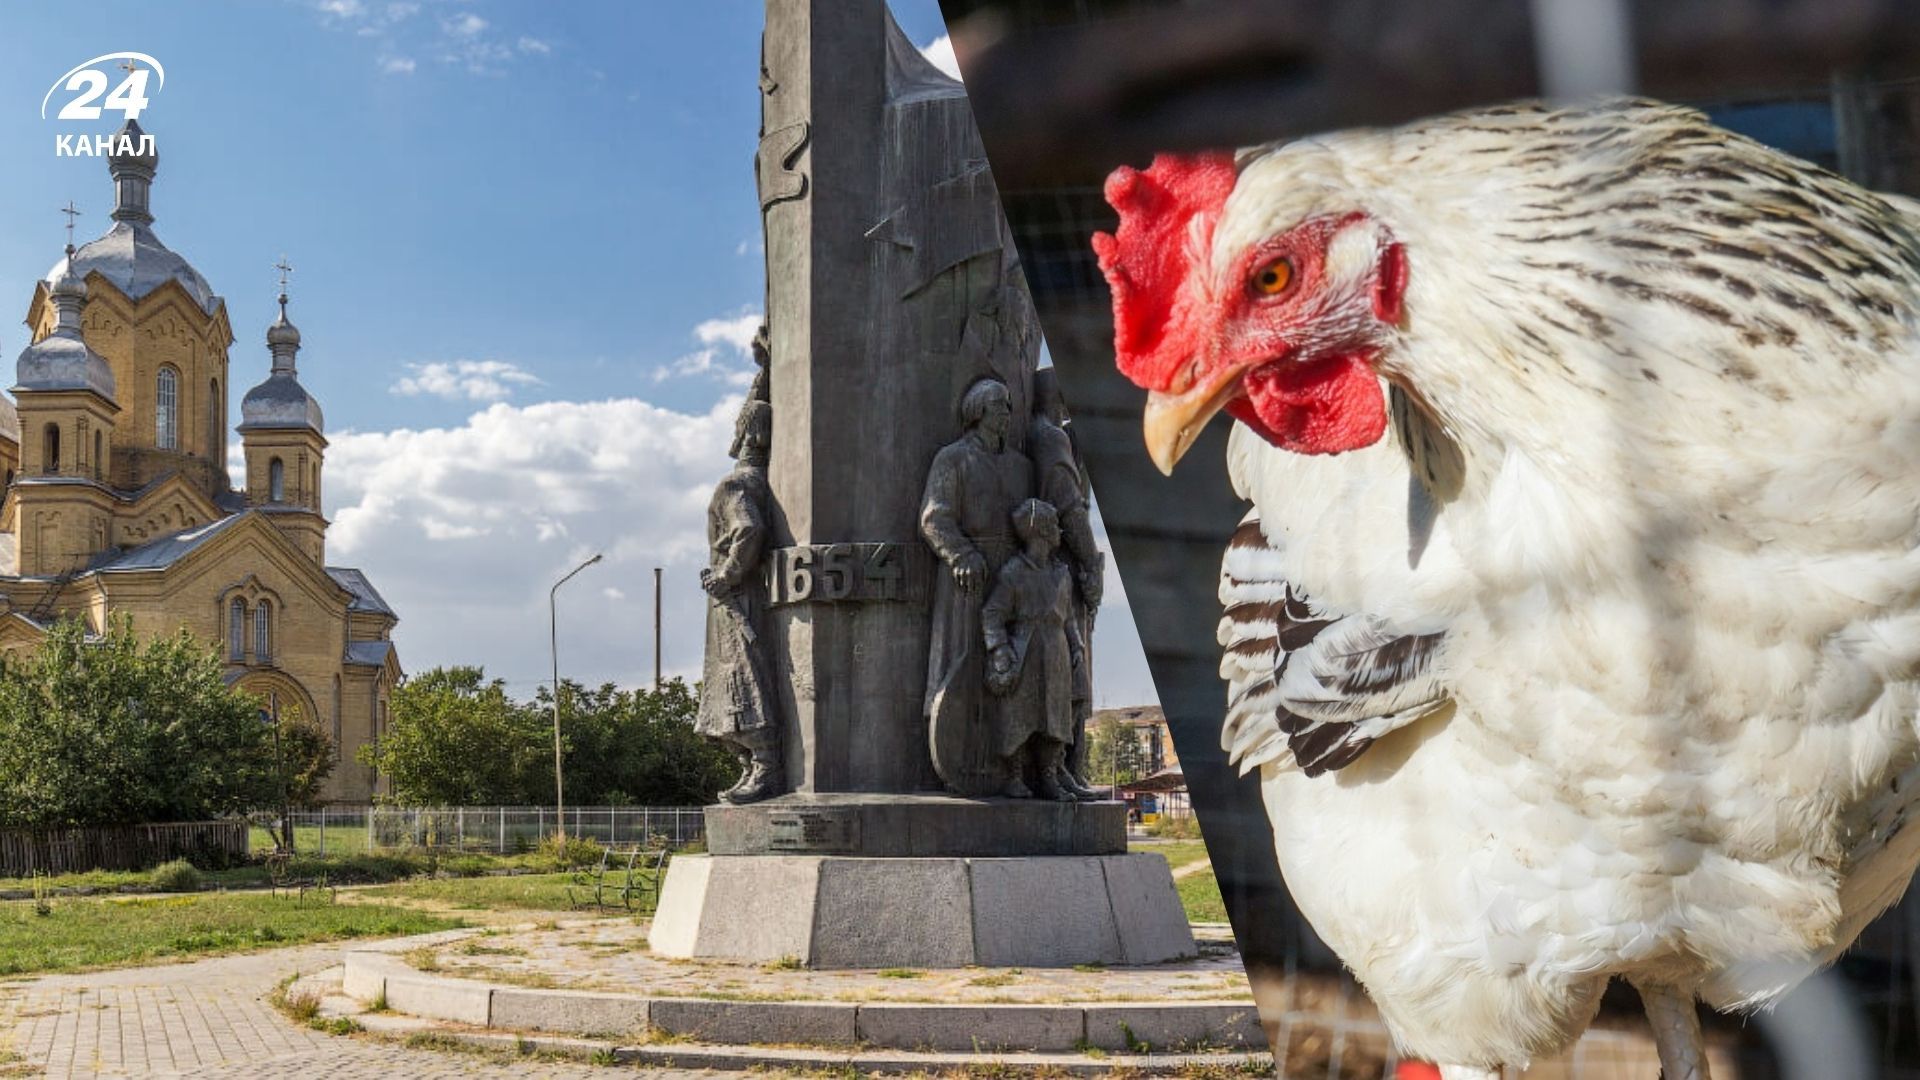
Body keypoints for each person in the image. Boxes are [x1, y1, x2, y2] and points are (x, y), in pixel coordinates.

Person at [920, 377, 1034, 795]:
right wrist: (960, 555)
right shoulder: (953, 459)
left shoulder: (1021, 466)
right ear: (981, 412)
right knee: (962, 666)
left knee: (1011, 669)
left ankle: (1012, 765)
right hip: (968, 575)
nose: (1008, 413)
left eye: (1009, 405)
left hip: (1014, 573)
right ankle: (956, 757)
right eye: (1002, 406)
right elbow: (935, 517)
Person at [696, 400, 782, 804]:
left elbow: (748, 528)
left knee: (740, 679)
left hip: (735, 597)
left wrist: (726, 574)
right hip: (759, 594)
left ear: (748, 433)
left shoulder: (736, 483)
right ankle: (753, 766)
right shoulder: (773, 481)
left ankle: (762, 765)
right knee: (748, 676)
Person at [1028, 368, 1104, 797]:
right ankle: (1062, 770)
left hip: (1059, 564)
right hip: (1065, 566)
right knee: (1073, 675)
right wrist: (1091, 564)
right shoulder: (1050, 437)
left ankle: (1068, 771)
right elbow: (1070, 508)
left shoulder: (1053, 435)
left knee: (1072, 676)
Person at [982, 499, 1086, 800]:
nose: (1059, 531)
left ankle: (1049, 776)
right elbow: (992, 613)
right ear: (1040, 531)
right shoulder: (1014, 572)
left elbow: (1068, 619)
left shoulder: (1061, 573)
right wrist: (999, 647)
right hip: (1025, 647)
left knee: (1055, 715)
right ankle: (1014, 775)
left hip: (1056, 651)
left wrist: (1076, 646)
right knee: (1021, 714)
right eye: (1053, 525)